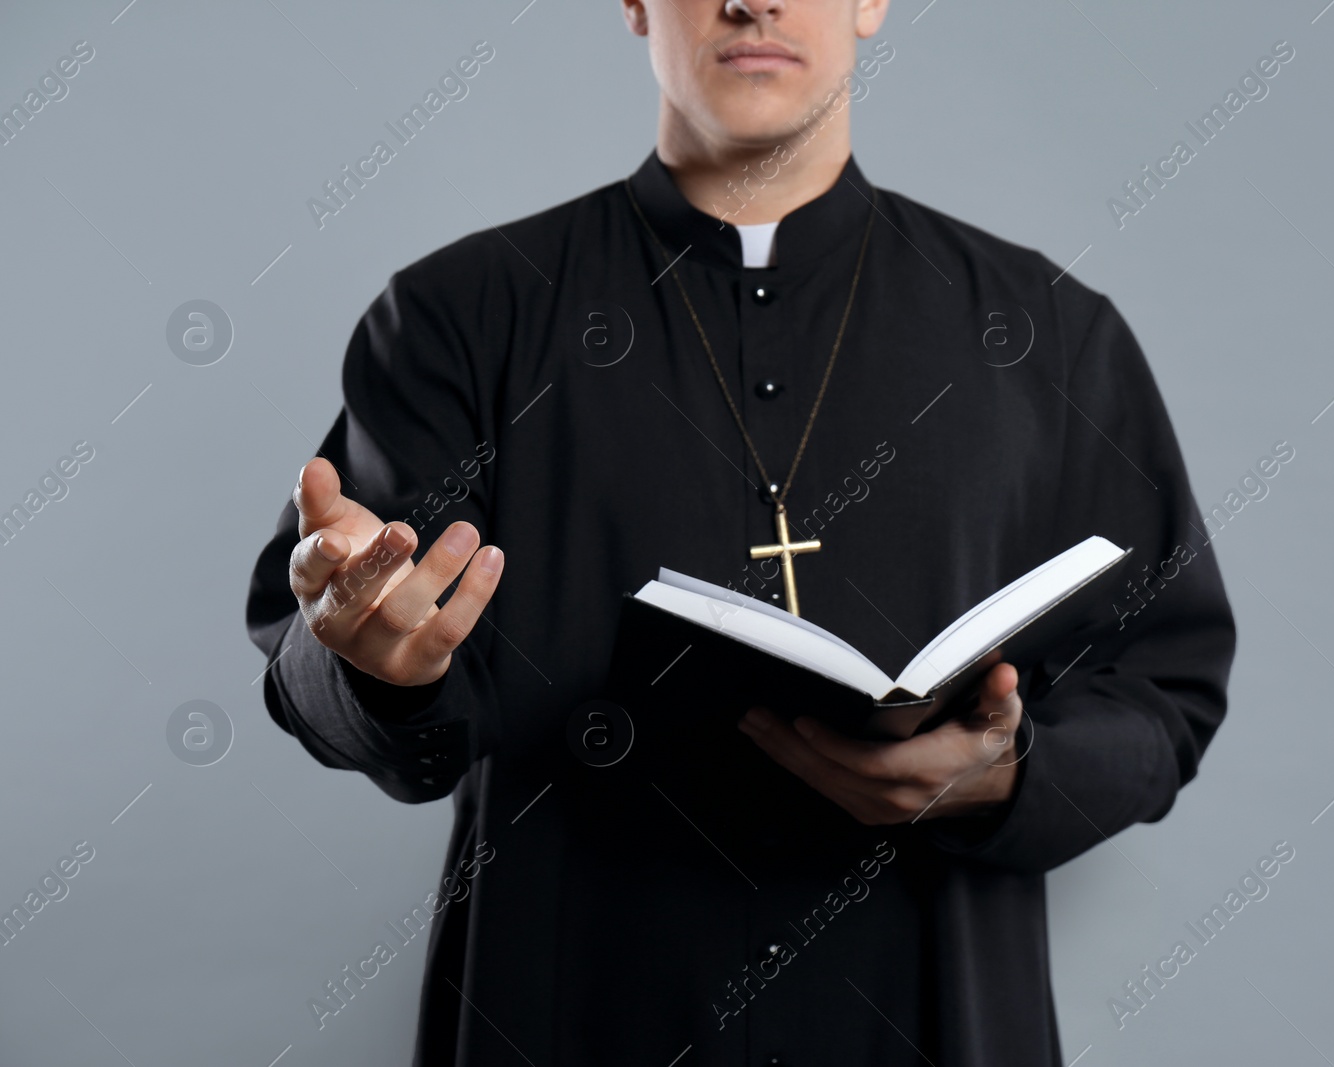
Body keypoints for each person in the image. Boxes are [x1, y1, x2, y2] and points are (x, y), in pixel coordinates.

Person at [245, 1, 1236, 1064]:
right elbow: (336, 677)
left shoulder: (1046, 331)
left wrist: (1010, 772)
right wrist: (371, 663)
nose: (750, 0)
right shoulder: (462, 314)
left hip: (926, 1006)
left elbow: (1163, 685)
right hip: (572, 1006)